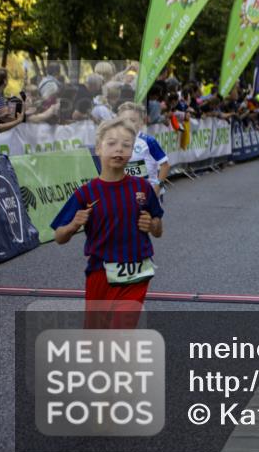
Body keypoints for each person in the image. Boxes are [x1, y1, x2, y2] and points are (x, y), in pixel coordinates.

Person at [51, 118, 164, 329]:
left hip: (136, 272)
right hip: (100, 272)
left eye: (126, 145)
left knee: (120, 329)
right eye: (111, 143)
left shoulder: (143, 188)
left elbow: (158, 228)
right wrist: (73, 226)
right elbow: (59, 236)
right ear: (98, 148)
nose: (118, 149)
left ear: (132, 151)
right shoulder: (86, 193)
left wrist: (152, 225)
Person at [117, 102, 171, 199]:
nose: (128, 123)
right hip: (125, 194)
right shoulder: (115, 142)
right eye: (124, 120)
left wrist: (157, 188)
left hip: (147, 193)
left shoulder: (148, 141)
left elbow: (165, 166)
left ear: (141, 122)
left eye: (133, 120)